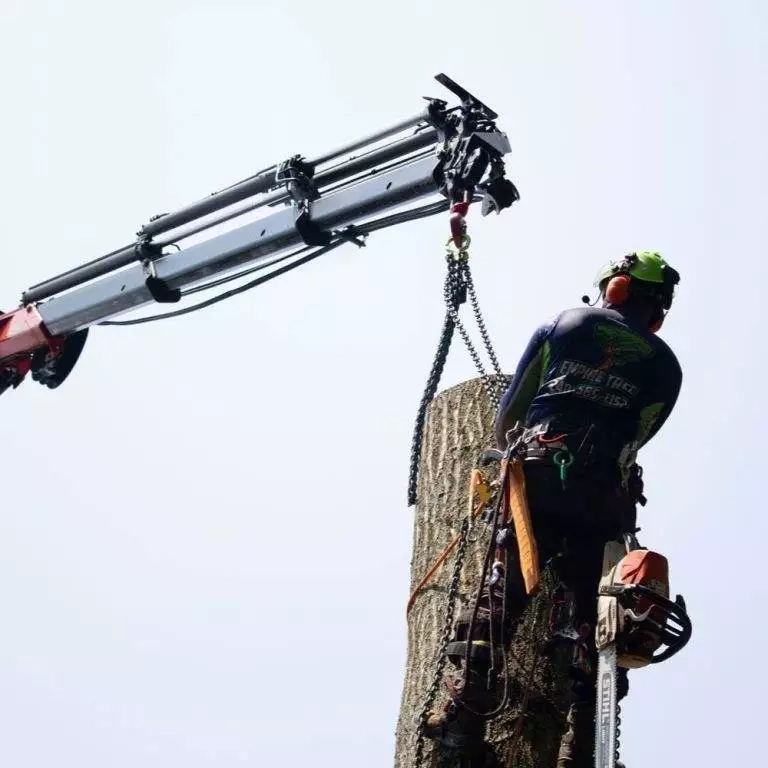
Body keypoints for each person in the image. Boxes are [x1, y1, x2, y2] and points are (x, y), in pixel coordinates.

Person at [492, 250, 682, 767]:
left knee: (502, 595)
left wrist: (504, 451)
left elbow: (510, 414)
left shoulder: (565, 323)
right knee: (598, 624)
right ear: (657, 312)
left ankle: (465, 710)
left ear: (615, 287)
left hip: (538, 475)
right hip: (603, 501)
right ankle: (582, 746)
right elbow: (639, 435)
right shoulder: (668, 367)